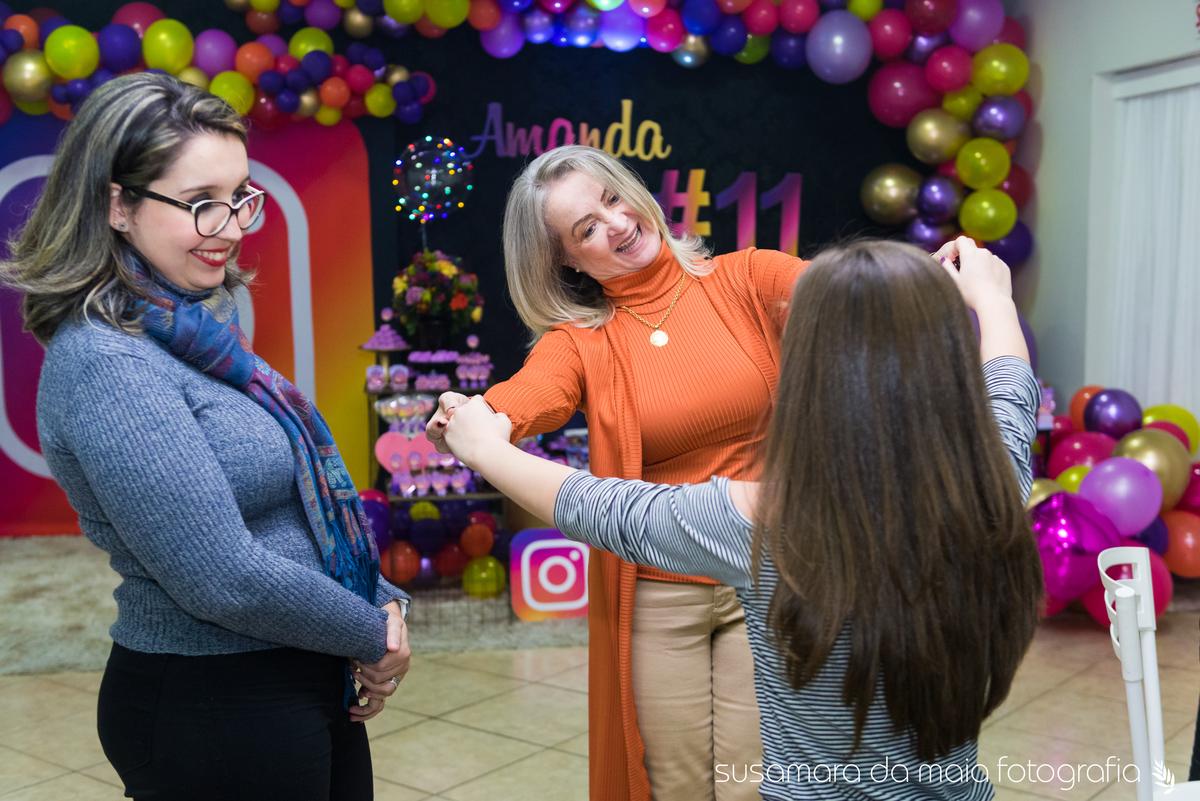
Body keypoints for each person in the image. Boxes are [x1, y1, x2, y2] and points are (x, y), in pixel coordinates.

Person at [440, 237, 1044, 800]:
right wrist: (993, 300)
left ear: (810, 373)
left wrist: (485, 449)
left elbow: (605, 509)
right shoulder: (992, 482)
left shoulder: (766, 521)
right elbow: (1010, 386)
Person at [1, 73, 409, 800]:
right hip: (212, 701)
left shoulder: (195, 330)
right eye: (200, 204)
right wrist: (372, 634)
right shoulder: (107, 361)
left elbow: (300, 504)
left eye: (240, 196)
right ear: (117, 205)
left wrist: (383, 602)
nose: (233, 226)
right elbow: (223, 577)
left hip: (299, 673)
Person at [427, 145, 805, 801]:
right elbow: (528, 396)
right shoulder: (581, 341)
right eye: (587, 229)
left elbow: (854, 296)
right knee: (677, 787)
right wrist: (475, 414)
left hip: (769, 575)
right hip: (662, 592)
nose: (619, 223)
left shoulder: (747, 278)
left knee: (753, 784)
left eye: (612, 198)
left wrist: (938, 281)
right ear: (565, 261)